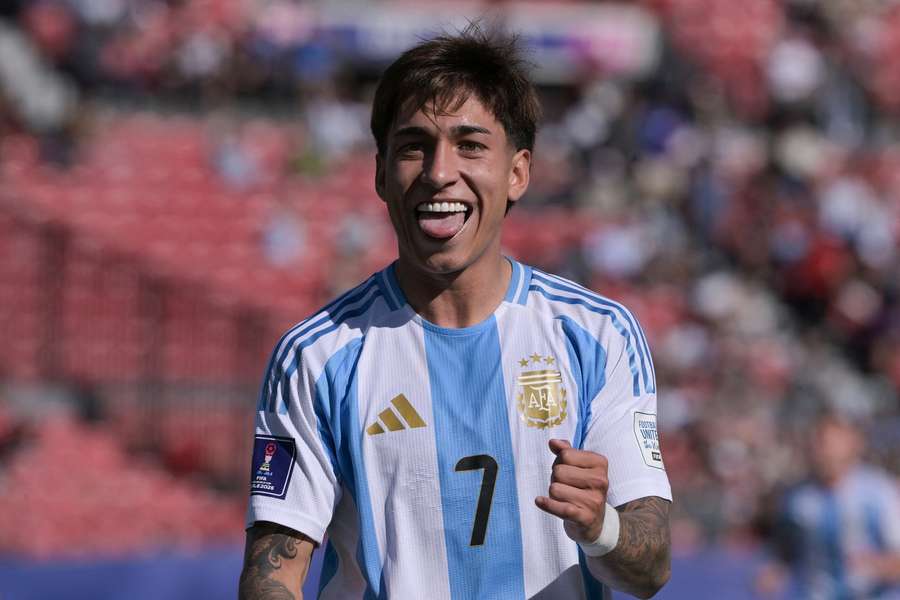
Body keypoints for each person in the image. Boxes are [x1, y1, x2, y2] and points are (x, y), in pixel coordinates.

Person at [239, 25, 672, 600]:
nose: (439, 172)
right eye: (414, 145)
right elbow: (273, 577)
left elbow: (652, 568)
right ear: (379, 172)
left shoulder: (597, 335)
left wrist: (601, 526)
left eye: (470, 145)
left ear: (518, 172)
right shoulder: (317, 356)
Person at [757, 412, 900, 599]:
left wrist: (877, 565)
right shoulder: (797, 499)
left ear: (852, 445)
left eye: (829, 444)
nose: (823, 452)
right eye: (818, 443)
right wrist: (773, 573)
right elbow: (784, 551)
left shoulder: (879, 493)